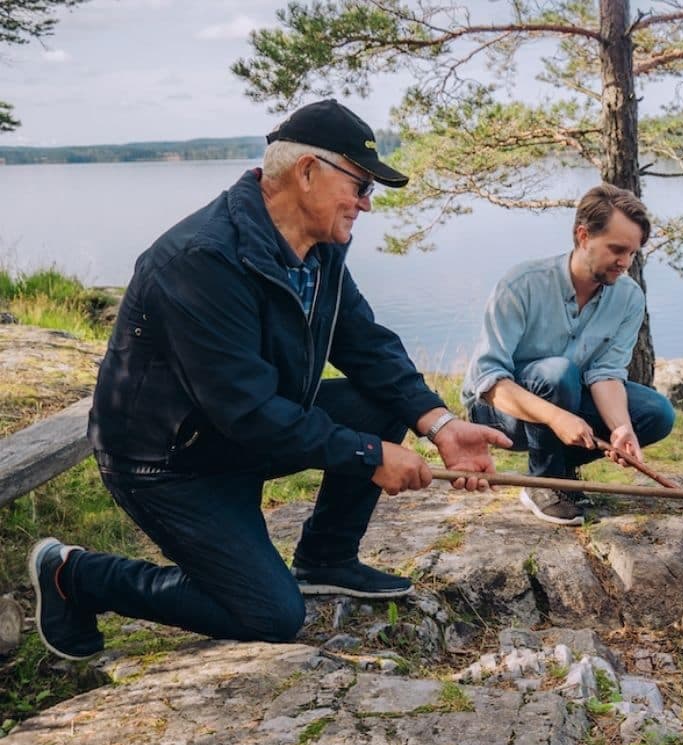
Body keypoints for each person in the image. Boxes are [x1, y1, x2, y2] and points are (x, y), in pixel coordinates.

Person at [27, 99, 512, 661]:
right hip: (169, 463)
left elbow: (363, 341)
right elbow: (248, 411)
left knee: (380, 402)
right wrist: (368, 455)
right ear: (307, 172)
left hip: (239, 436)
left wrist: (441, 425)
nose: (366, 204)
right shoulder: (200, 261)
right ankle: (76, 574)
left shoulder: (319, 246)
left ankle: (326, 558)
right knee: (271, 614)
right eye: (360, 185)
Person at [462, 184, 676, 526]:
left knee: (656, 412)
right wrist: (556, 418)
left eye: (633, 253)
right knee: (558, 373)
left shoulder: (629, 297)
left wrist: (621, 429)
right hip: (500, 414)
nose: (625, 262)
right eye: (617, 250)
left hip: (567, 399)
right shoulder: (522, 284)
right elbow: (488, 382)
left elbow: (605, 373)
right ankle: (543, 482)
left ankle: (563, 469)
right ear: (583, 236)